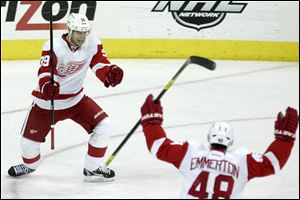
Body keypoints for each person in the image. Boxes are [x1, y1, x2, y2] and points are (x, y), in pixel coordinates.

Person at [8, 13, 123, 182]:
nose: (82, 36)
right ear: (69, 30)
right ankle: (30, 165)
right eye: (78, 32)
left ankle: (92, 169)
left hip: (76, 101)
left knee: (104, 125)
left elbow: (100, 63)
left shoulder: (92, 43)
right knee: (27, 145)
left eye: (85, 32)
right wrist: (47, 85)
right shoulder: (53, 46)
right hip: (47, 104)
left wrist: (109, 73)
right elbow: (44, 71)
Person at [140, 94, 299, 198]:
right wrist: (284, 140)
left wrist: (151, 122)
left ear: (209, 137)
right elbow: (272, 163)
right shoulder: (241, 161)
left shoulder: (191, 153)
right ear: (230, 141)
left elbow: (159, 147)